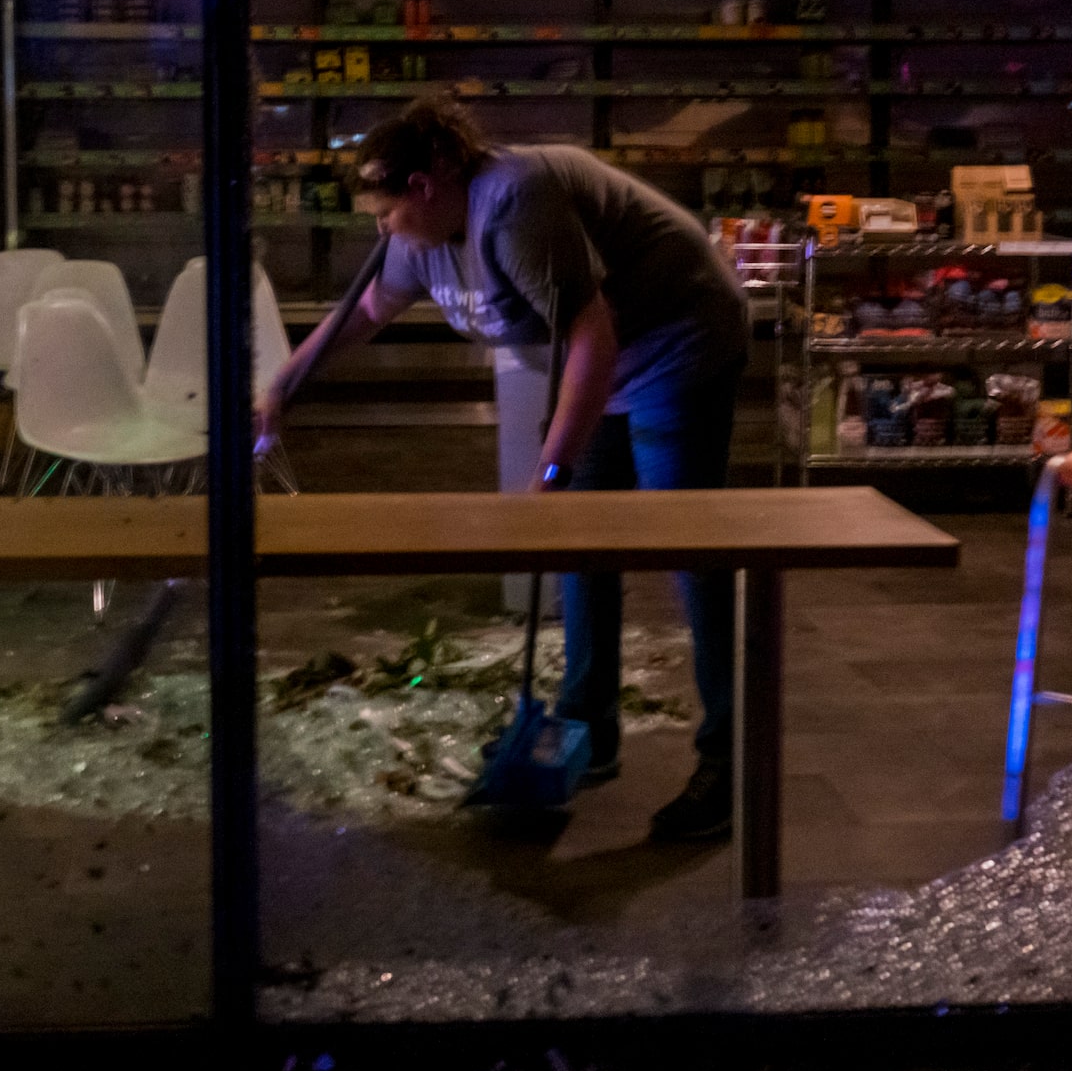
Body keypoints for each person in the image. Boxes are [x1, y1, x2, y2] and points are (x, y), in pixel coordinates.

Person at [256, 97, 750, 842]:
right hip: (607, 364)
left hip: (676, 340)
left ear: (425, 186)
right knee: (582, 545)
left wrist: (550, 472)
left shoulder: (515, 201)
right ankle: (587, 731)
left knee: (687, 545)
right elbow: (359, 315)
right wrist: (279, 391)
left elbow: (591, 338)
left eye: (385, 213)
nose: (379, 230)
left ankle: (725, 760)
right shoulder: (417, 237)